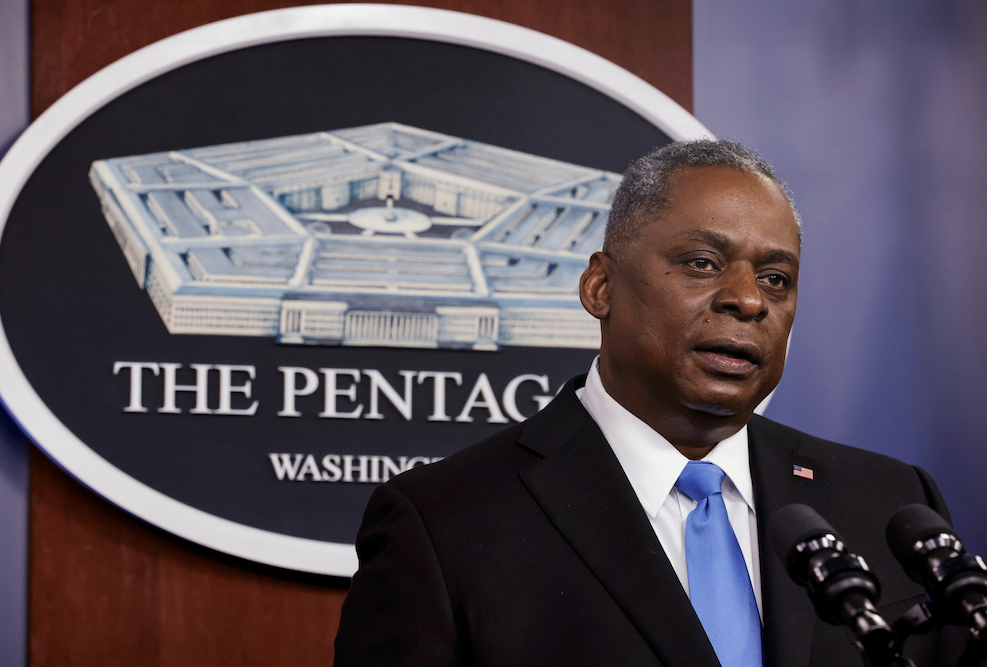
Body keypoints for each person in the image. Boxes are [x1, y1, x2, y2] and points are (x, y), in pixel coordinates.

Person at [333, 140, 954, 666]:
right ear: (601, 286)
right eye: (702, 263)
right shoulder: (444, 525)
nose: (748, 301)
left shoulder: (892, 505)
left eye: (776, 279)